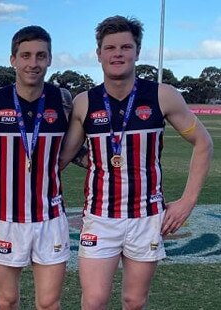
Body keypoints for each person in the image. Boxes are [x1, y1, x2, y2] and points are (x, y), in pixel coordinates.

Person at [59, 15, 213, 309]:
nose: (118, 53)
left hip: (147, 217)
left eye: (126, 47)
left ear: (137, 51)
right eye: (110, 47)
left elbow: (203, 143)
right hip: (100, 217)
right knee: (93, 301)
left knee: (134, 301)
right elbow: (64, 157)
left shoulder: (162, 95)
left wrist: (187, 201)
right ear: (99, 53)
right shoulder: (84, 102)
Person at [0, 26, 76, 310]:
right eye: (25, 56)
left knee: (48, 303)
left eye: (40, 56)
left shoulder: (63, 101)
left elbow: (75, 149)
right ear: (13, 59)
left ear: (49, 59)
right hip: (5, 219)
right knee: (7, 301)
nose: (33, 63)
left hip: (50, 219)